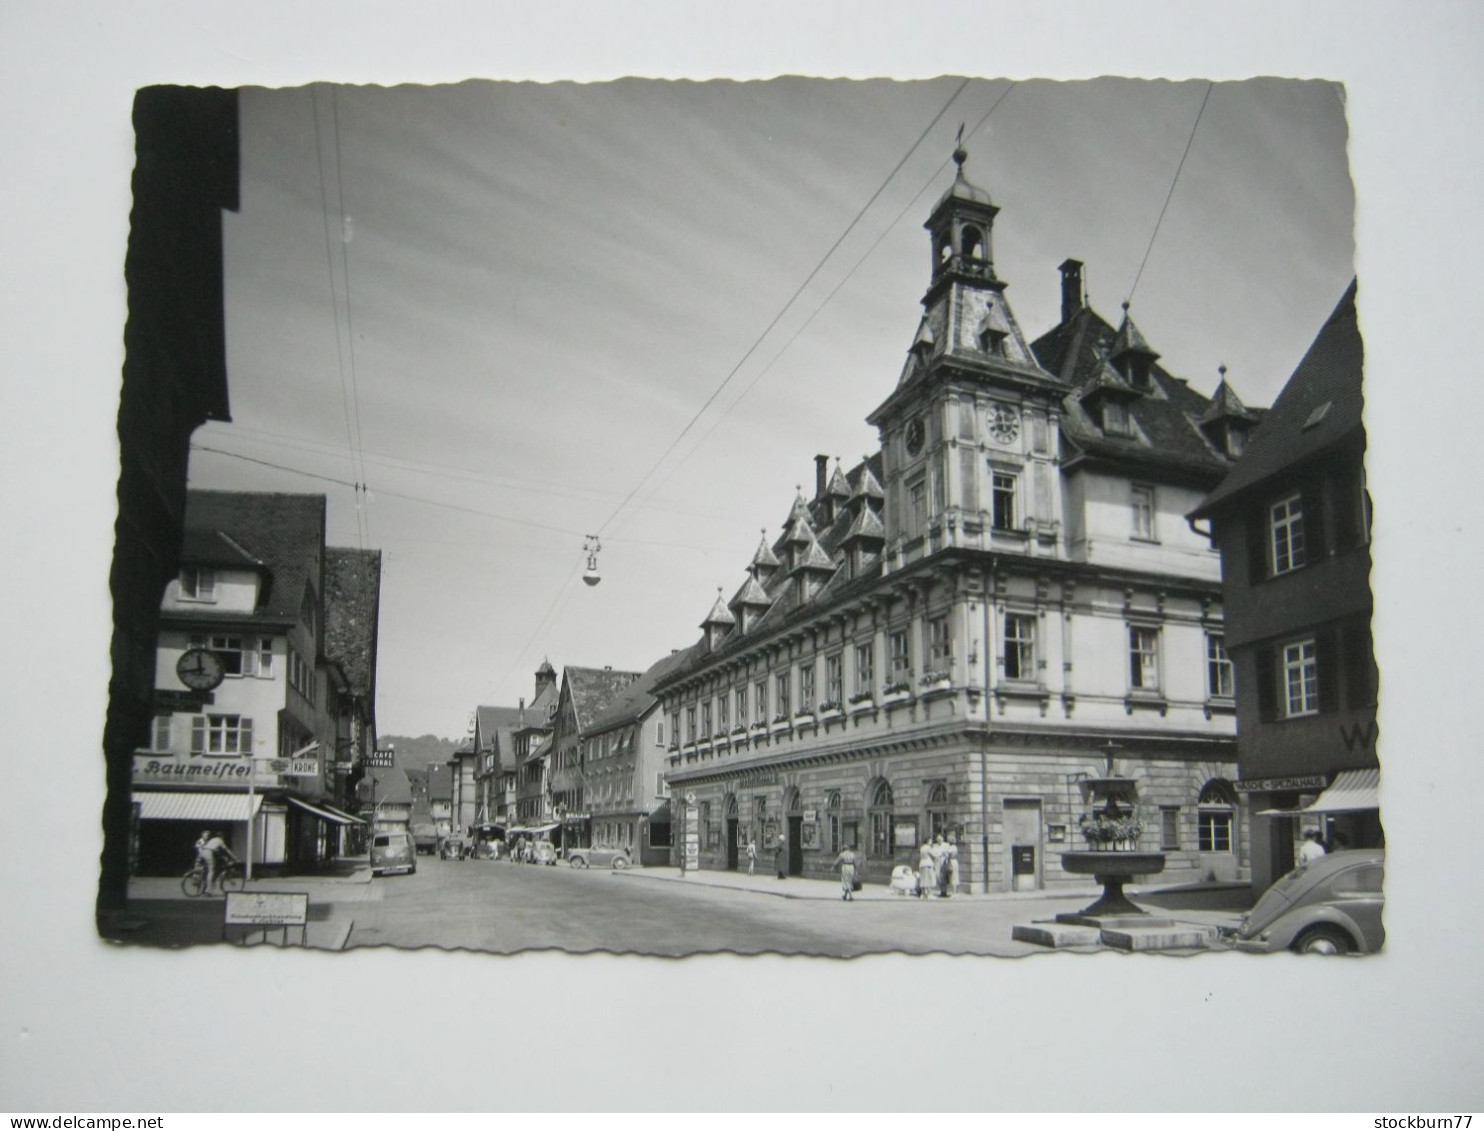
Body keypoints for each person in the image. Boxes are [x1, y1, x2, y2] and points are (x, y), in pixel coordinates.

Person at [940, 832, 960, 898]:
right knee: (953, 877)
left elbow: (946, 852)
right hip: (954, 861)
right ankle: (954, 892)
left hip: (952, 862)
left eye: (949, 841)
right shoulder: (954, 847)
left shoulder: (952, 847)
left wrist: (942, 852)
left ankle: (954, 893)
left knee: (953, 878)